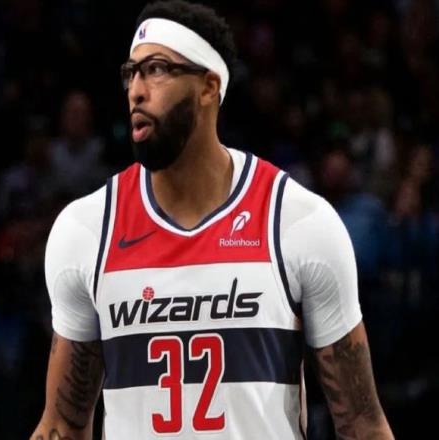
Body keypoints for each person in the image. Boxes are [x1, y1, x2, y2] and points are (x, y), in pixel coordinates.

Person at [31, 1, 394, 439]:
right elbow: (62, 424)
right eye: (131, 73)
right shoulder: (87, 230)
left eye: (157, 69)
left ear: (208, 87)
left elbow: (361, 423)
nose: (136, 90)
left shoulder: (297, 222)